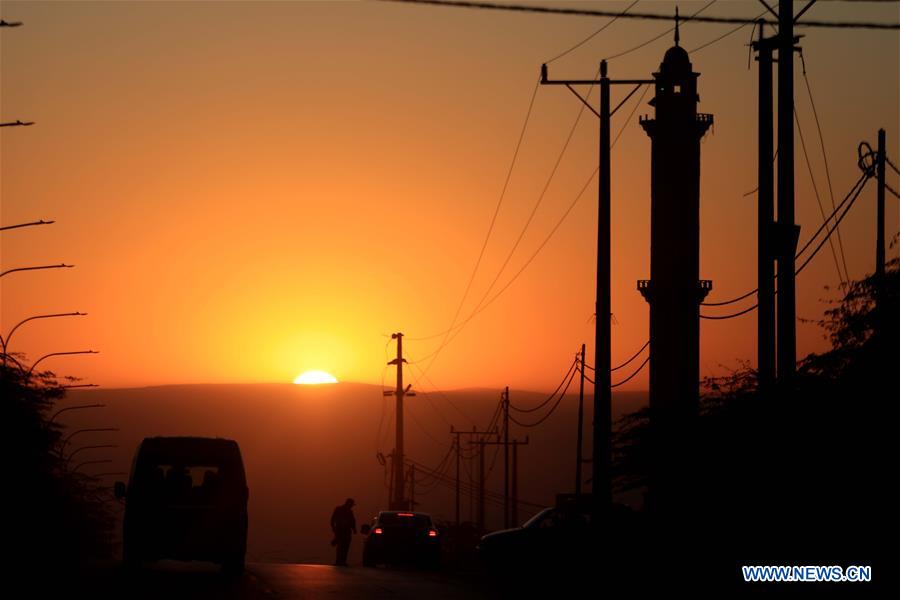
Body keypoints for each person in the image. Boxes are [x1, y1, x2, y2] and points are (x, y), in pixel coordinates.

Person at [330, 498, 357, 566]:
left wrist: (354, 529)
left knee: (344, 546)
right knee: (341, 546)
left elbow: (352, 521)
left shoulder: (349, 511)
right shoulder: (339, 509)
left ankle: (341, 561)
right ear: (348, 503)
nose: (351, 506)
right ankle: (339, 561)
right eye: (351, 505)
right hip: (340, 531)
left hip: (345, 531)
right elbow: (333, 519)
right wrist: (333, 528)